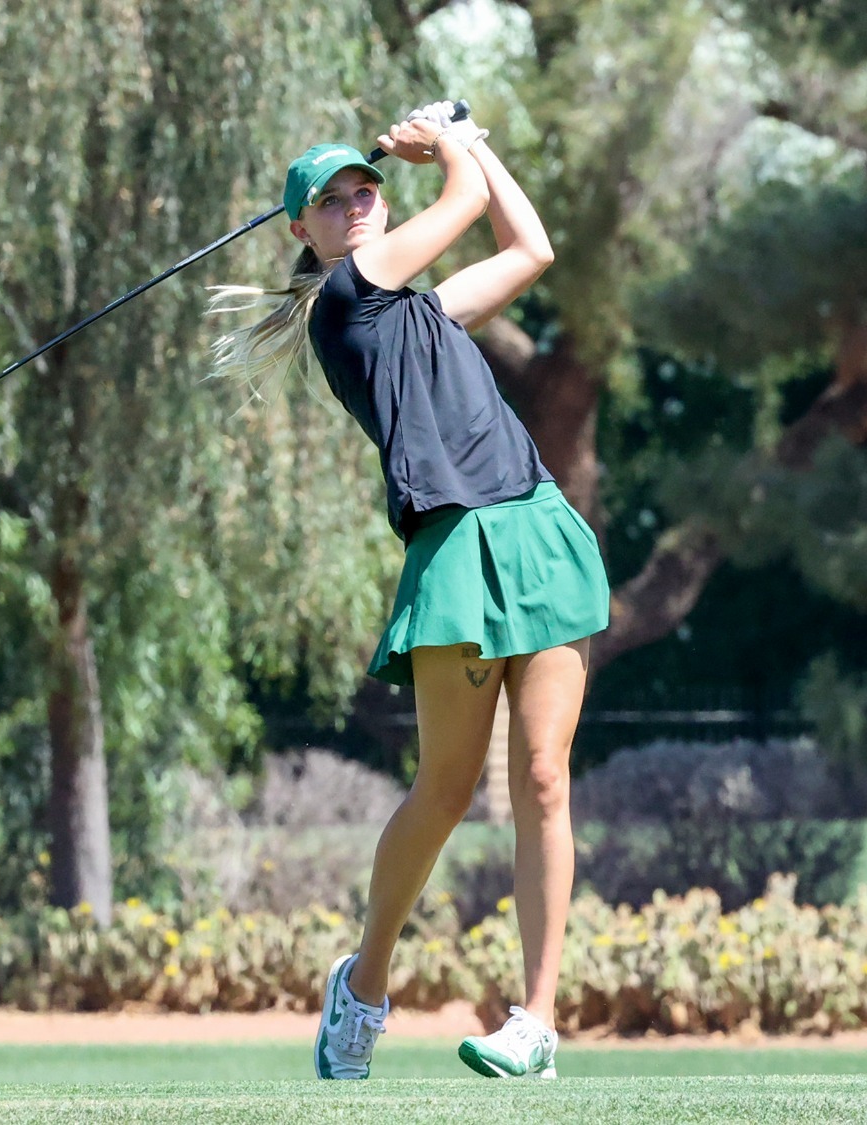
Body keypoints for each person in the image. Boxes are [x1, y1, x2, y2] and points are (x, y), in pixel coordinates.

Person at [208, 101, 609, 1081]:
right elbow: (465, 198)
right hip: (453, 547)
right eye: (330, 201)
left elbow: (530, 245)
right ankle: (364, 986)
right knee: (443, 788)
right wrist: (448, 144)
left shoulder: (421, 309)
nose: (353, 207)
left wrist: (473, 146)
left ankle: (535, 1023)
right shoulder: (346, 300)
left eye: (363, 192)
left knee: (546, 781)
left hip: (535, 526)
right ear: (303, 232)